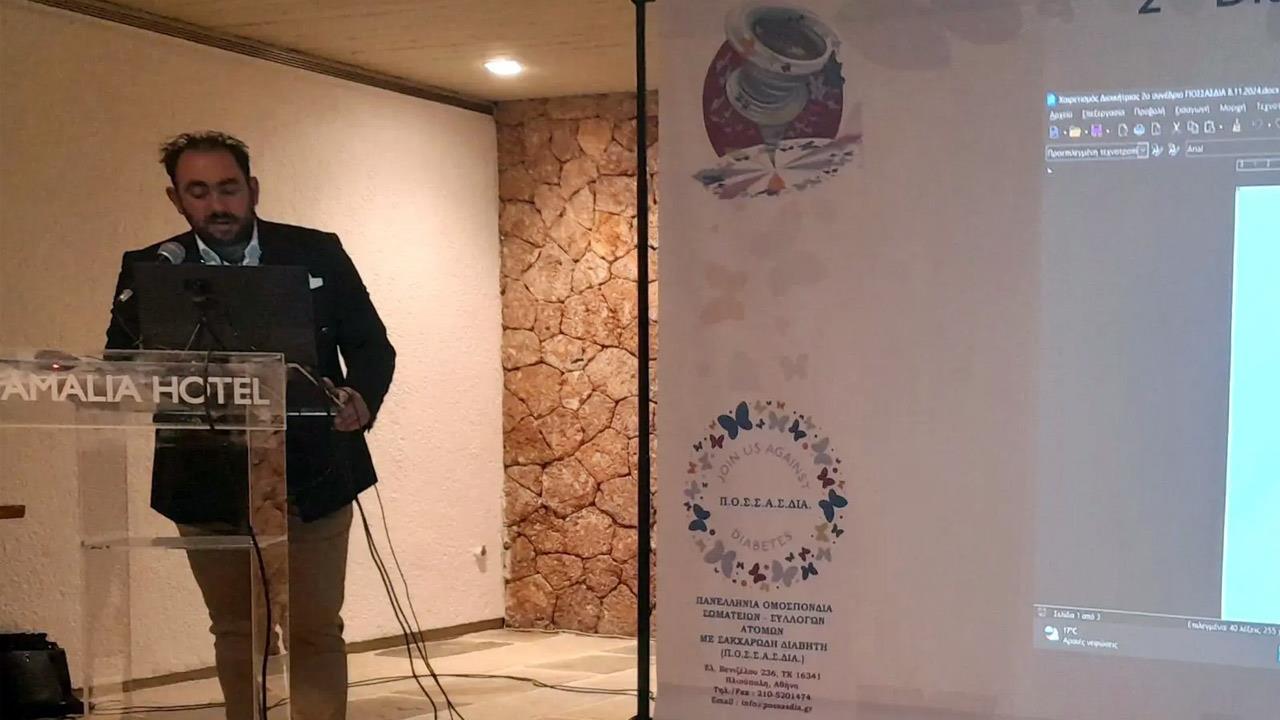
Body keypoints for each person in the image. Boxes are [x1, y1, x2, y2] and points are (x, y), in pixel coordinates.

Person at [104, 131, 396, 720]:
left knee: (315, 626)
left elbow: (371, 346)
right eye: (198, 191)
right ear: (176, 199)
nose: (217, 204)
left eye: (228, 188)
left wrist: (360, 398)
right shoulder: (151, 268)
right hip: (205, 476)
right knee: (237, 629)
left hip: (312, 472)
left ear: (252, 188)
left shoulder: (316, 253)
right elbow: (123, 363)